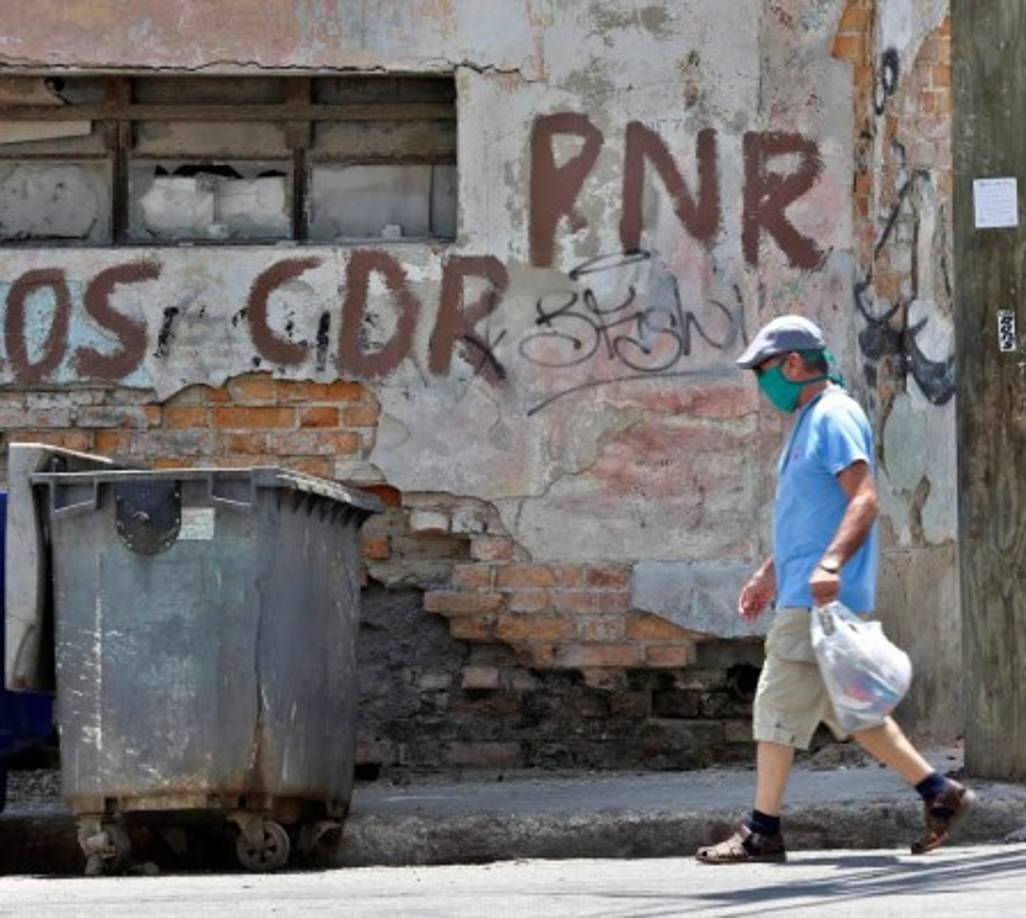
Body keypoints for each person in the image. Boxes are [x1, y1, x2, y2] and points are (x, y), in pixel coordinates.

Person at [695, 314, 976, 864]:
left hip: (818, 598)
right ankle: (939, 793)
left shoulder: (833, 415)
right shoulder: (808, 421)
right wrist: (769, 573)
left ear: (792, 364)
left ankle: (762, 831)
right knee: (856, 712)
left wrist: (826, 567)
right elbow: (812, 515)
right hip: (807, 589)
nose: (761, 382)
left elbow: (864, 499)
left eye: (763, 370)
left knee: (775, 707)